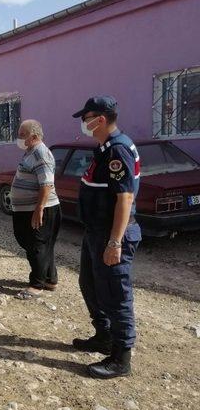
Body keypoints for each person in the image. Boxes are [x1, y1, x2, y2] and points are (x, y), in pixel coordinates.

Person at [72, 96, 141, 379]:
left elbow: (125, 198)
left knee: (116, 295)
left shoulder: (118, 150)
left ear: (100, 119)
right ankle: (104, 336)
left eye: (86, 117)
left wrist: (115, 242)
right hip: (96, 232)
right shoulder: (105, 148)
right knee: (89, 284)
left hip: (111, 235)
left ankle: (120, 358)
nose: (83, 123)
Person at [10, 119, 62, 300]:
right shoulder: (30, 151)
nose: (19, 138)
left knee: (36, 246)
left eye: (22, 135)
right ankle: (50, 279)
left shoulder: (41, 153)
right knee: (39, 245)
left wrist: (39, 208)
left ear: (33, 136)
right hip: (29, 208)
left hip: (40, 208)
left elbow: (46, 184)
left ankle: (36, 285)